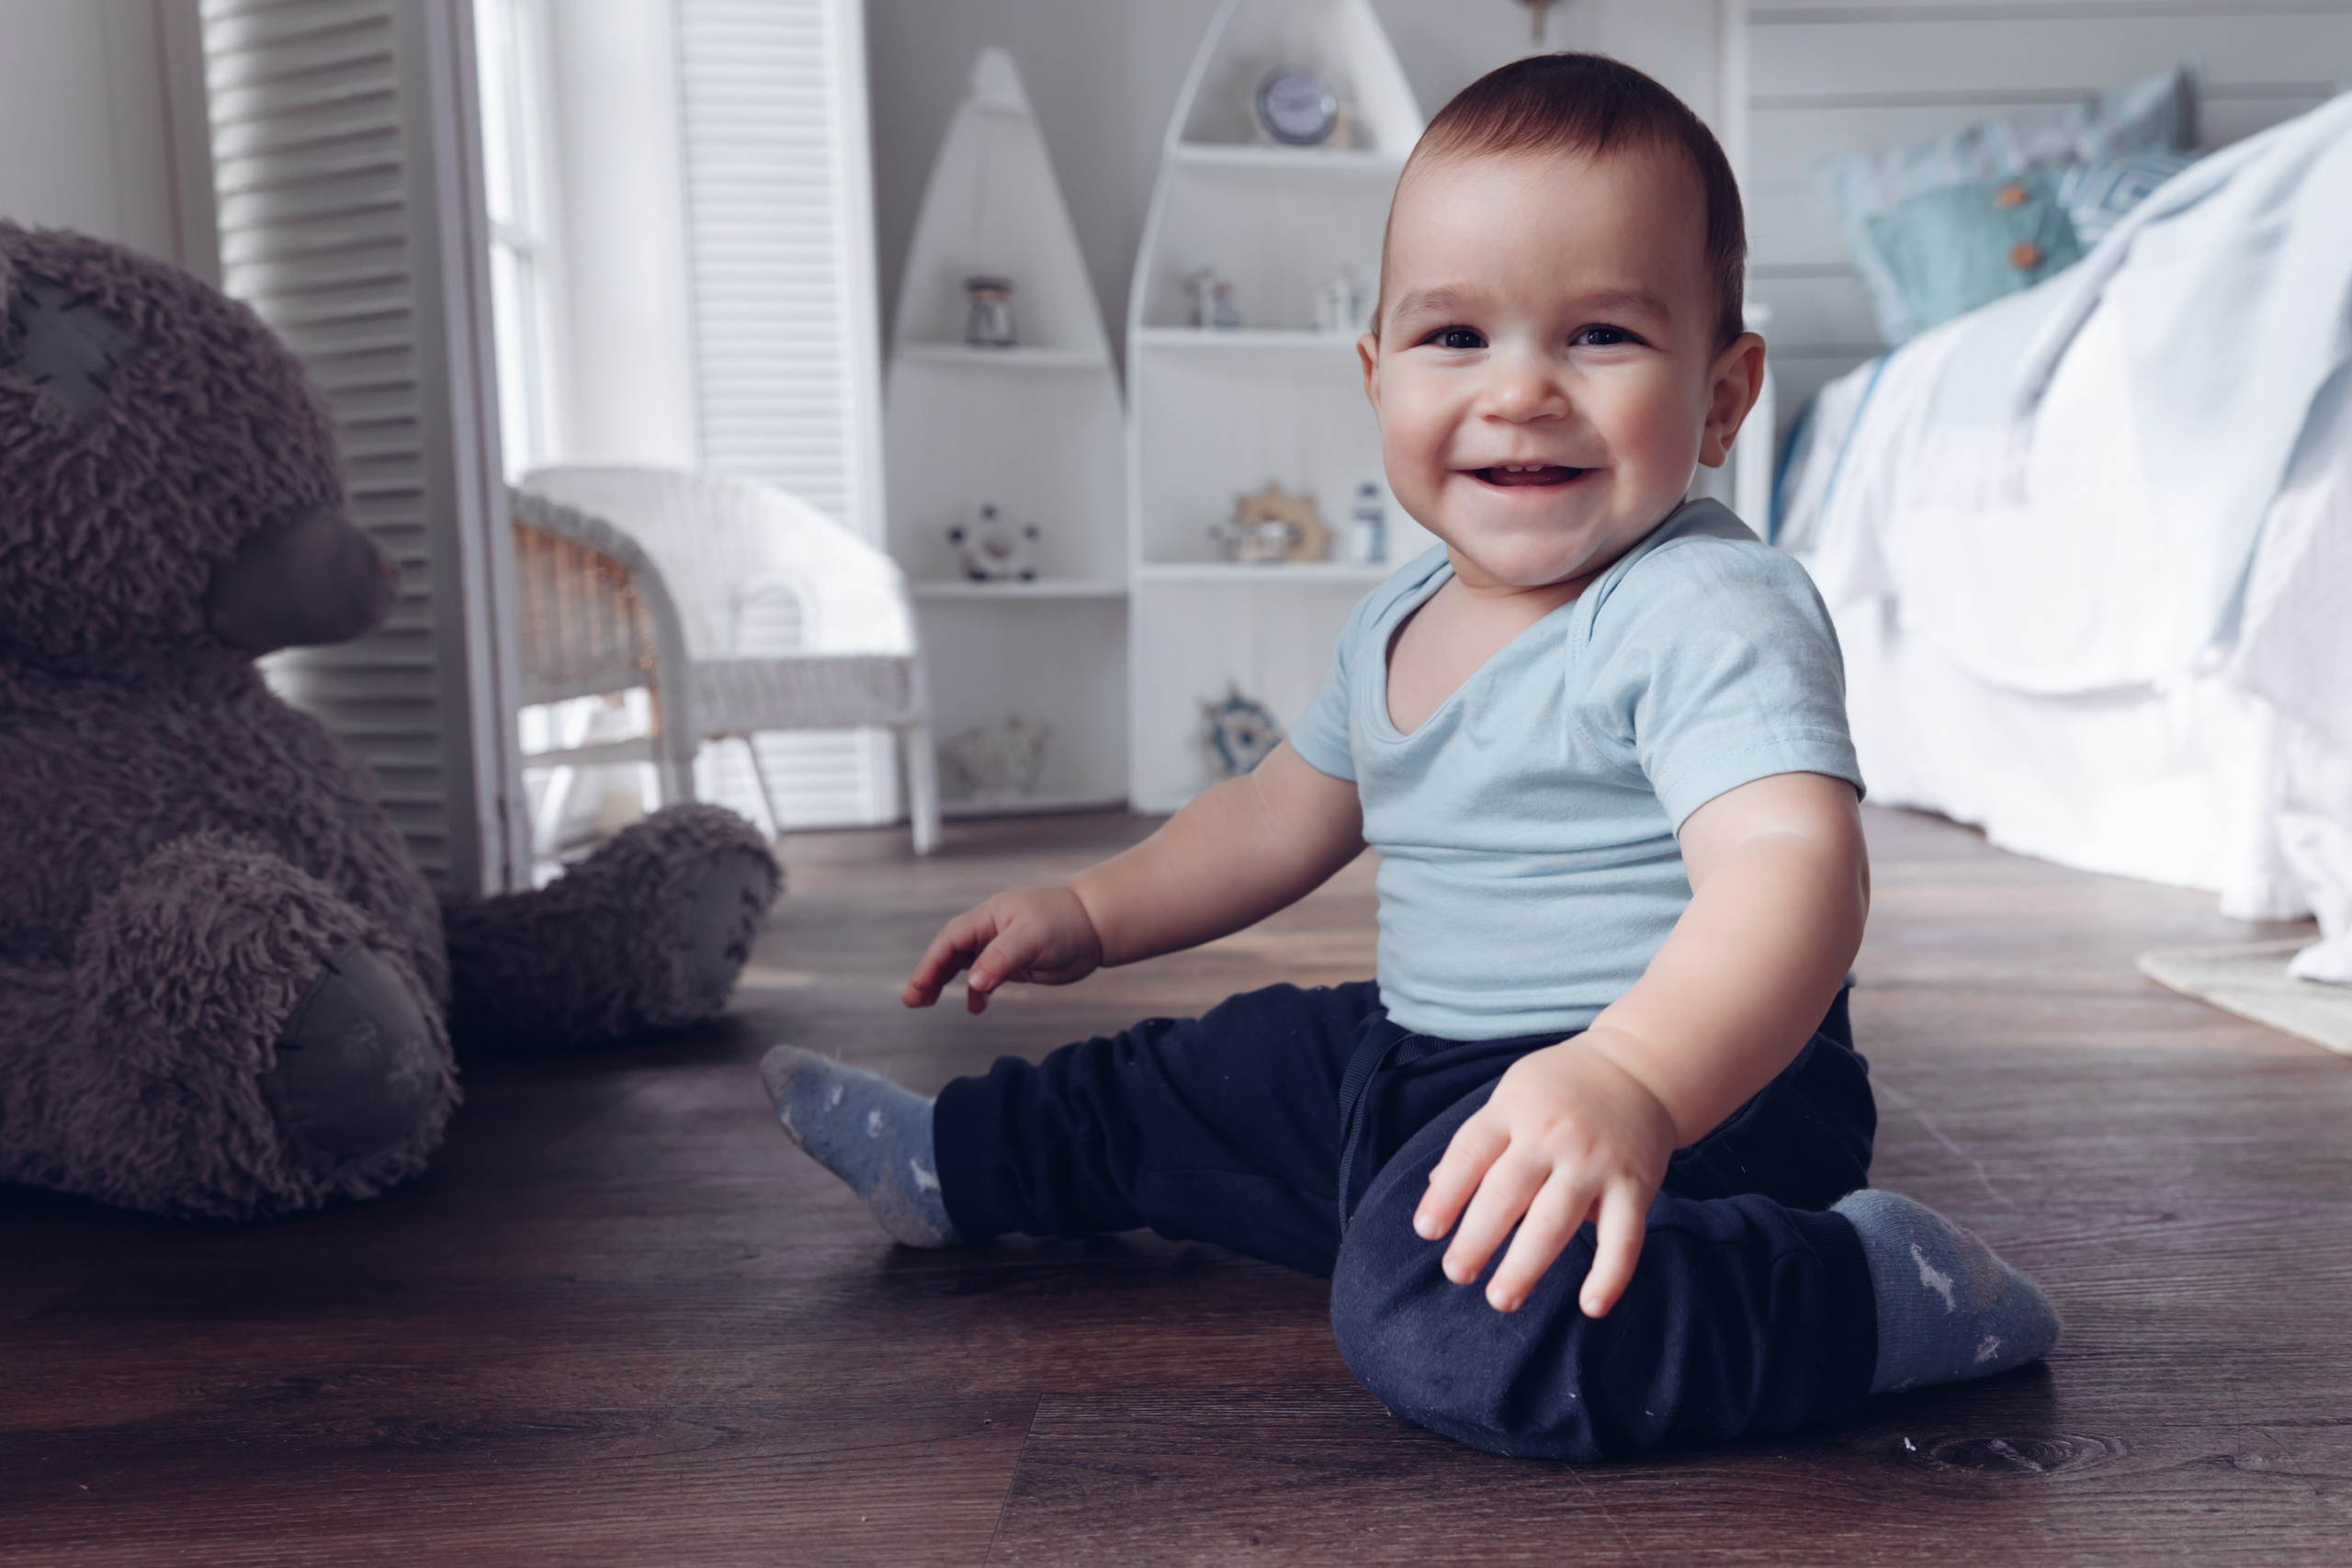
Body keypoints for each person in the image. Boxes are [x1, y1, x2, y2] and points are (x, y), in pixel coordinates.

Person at [761, 52, 2059, 1461]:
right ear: (1376, 375)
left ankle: (1870, 1295)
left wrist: (1631, 1075)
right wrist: (1089, 911)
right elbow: (1270, 816)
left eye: (1602, 337)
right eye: (1457, 339)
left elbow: (1791, 872)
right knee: (1203, 1073)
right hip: (1420, 1053)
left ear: (1724, 394)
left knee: (1450, 1320)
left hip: (1693, 1092)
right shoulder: (1397, 619)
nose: (1521, 392)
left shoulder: (1702, 604)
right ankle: (958, 1164)